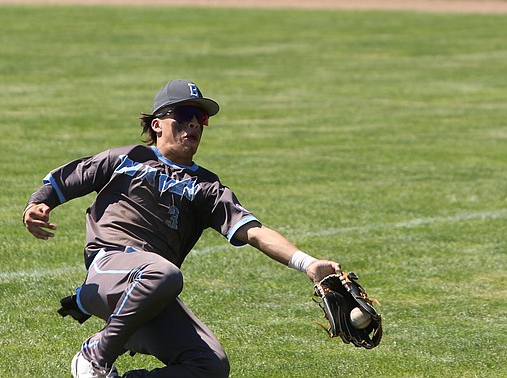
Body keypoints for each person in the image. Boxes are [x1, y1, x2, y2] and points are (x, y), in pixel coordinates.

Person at [23, 78, 341, 378]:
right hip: (110, 267)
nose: (193, 124)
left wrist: (308, 263)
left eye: (200, 118)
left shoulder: (207, 187)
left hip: (149, 291)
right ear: (157, 124)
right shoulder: (126, 159)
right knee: (164, 274)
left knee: (210, 365)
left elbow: (255, 231)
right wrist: (38, 205)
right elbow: (62, 181)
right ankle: (96, 355)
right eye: (185, 114)